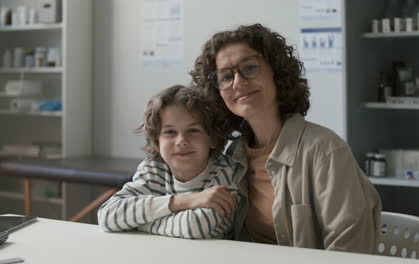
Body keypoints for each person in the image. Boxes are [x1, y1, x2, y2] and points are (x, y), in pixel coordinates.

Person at [190, 24, 381, 253]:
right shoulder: (235, 155)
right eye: (226, 77)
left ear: (276, 71)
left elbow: (350, 252)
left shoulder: (325, 151)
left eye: (249, 67)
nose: (238, 83)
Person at [97, 85, 244, 239]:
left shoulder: (227, 172)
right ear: (157, 140)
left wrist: (136, 222)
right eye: (170, 132)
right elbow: (108, 215)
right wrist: (186, 201)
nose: (181, 141)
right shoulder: (154, 168)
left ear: (213, 138)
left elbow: (196, 227)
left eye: (193, 131)